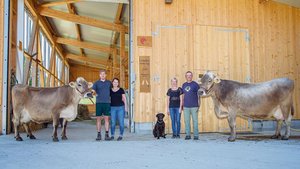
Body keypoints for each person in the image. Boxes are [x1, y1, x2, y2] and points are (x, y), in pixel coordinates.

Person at [92, 70, 112, 141]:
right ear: (99, 75)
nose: (103, 75)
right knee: (98, 119)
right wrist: (94, 93)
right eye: (101, 74)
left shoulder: (109, 83)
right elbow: (93, 91)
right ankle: (98, 134)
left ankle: (107, 135)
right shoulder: (96, 83)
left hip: (107, 103)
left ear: (106, 75)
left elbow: (112, 91)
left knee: (107, 119)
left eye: (104, 74)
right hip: (99, 103)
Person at [182, 71, 200, 140]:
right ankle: (188, 135)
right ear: (185, 76)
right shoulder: (184, 85)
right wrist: (182, 105)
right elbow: (183, 95)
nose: (189, 76)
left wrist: (199, 104)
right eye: (187, 75)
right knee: (187, 121)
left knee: (195, 121)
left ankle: (196, 135)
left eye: (190, 75)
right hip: (186, 106)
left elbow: (198, 95)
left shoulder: (195, 84)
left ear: (192, 76)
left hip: (194, 106)